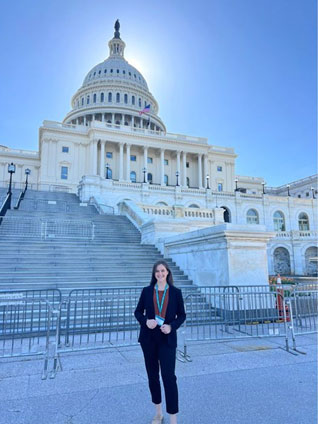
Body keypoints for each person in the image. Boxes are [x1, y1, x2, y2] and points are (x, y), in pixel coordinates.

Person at [134, 260, 186, 424]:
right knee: (152, 376)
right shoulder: (147, 291)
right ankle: (158, 413)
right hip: (149, 339)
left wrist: (172, 326)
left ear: (168, 273)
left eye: (163, 271)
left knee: (169, 377)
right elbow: (137, 312)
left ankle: (173, 417)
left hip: (167, 339)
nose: (160, 274)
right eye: (157, 271)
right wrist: (145, 321)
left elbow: (182, 315)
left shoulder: (176, 293)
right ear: (154, 274)